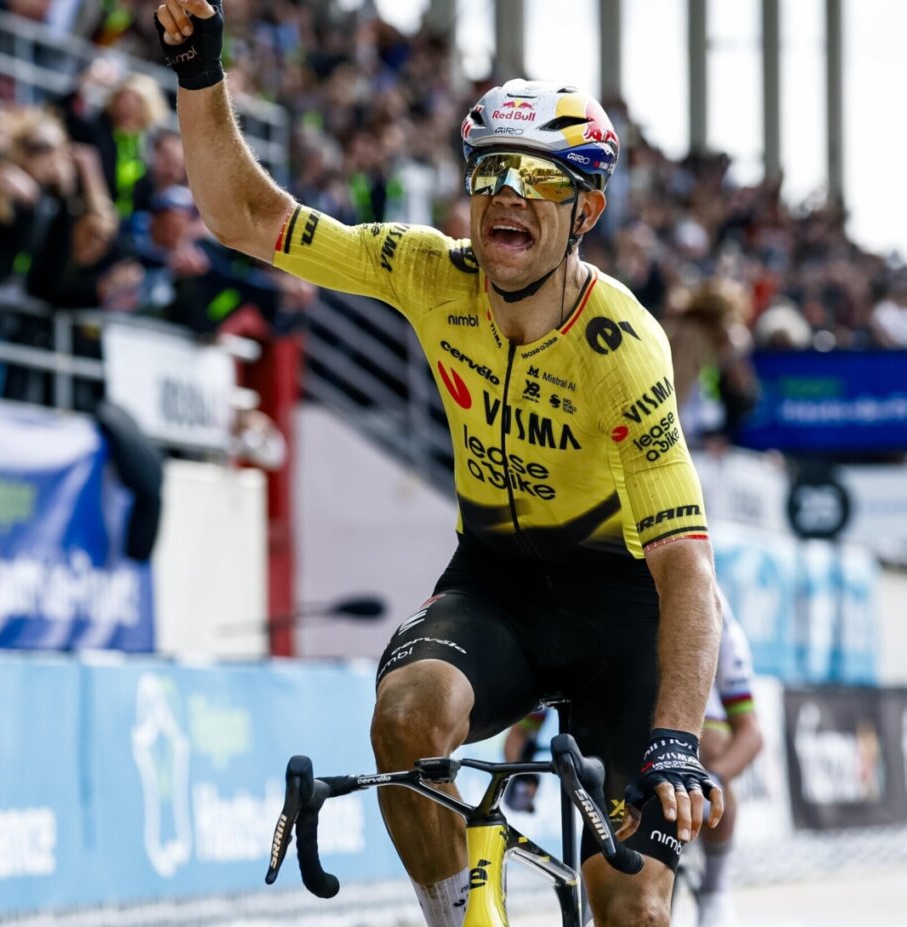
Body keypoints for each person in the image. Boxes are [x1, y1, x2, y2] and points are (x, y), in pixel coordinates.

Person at [154, 3, 724, 925]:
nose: (505, 193)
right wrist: (197, 71)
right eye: (490, 170)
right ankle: (457, 917)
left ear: (587, 208)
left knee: (632, 913)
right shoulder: (428, 271)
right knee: (406, 717)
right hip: (495, 581)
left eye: (537, 177)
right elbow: (246, 217)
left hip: (619, 606)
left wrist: (674, 740)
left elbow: (685, 565)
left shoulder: (622, 345)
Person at [502, 597, 763, 927]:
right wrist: (523, 777)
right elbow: (519, 735)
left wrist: (715, 777)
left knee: (712, 744)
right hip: (617, 715)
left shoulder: (712, 612)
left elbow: (751, 733)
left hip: (689, 724)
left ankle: (715, 888)